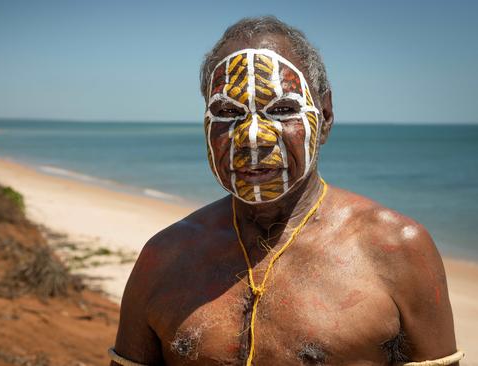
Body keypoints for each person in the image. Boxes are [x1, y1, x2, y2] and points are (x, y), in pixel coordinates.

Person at [109, 16, 463, 366]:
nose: (251, 137)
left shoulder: (396, 250)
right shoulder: (165, 258)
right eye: (227, 112)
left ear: (324, 116)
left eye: (282, 110)